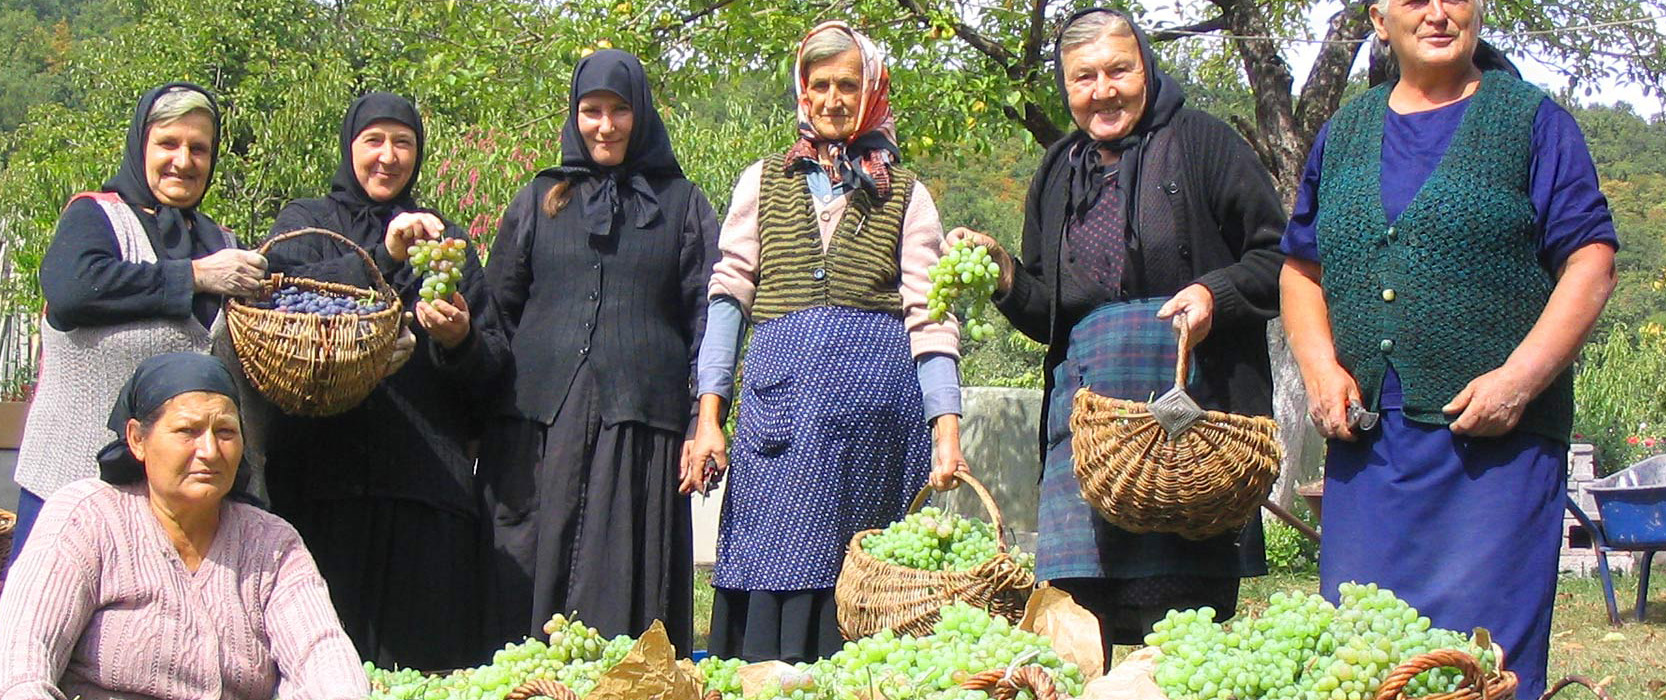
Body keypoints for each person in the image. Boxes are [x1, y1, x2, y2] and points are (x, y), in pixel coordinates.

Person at [1279, 0, 1618, 694]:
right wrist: (1319, 368)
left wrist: (1519, 379)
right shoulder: (1343, 132)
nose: (1437, 12)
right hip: (1368, 452)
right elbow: (1300, 270)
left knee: (1483, 664)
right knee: (1362, 655)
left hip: (1496, 455)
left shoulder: (1531, 122)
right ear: (1378, 19)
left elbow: (1591, 260)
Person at [947, 8, 1283, 659]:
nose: (1102, 90)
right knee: (1077, 644)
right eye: (1084, 77)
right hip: (1087, 439)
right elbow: (1049, 310)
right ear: (1065, 86)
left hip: (1183, 432)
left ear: (1147, 70)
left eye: (1119, 70)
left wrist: (1216, 293)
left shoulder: (1205, 144)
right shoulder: (1056, 172)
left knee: (1180, 651)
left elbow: (1282, 260)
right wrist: (1003, 272)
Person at [682, 21, 967, 663]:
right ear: (802, 94)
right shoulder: (762, 183)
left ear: (870, 90)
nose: (833, 99)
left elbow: (932, 316)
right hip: (779, 419)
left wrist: (946, 432)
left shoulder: (909, 195)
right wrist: (709, 419)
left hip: (876, 428)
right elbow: (728, 299)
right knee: (774, 566)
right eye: (820, 86)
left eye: (848, 84)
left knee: (866, 584)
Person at [478, 50, 718, 647]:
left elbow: (709, 319)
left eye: (619, 110)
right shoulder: (538, 199)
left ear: (641, 115)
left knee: (626, 588)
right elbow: (496, 312)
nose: (604, 126)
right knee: (532, 579)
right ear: (574, 115)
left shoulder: (683, 205)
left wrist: (702, 421)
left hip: (641, 431)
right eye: (591, 111)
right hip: (539, 428)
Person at [259, 91, 502, 670]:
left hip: (425, 493)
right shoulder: (307, 222)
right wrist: (386, 257)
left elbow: (493, 375)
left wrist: (458, 342)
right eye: (374, 140)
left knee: (425, 669)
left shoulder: (447, 241)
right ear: (350, 147)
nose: (388, 156)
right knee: (319, 667)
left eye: (403, 143)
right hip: (320, 491)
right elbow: (284, 297)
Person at [0, 353, 368, 700]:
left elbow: (321, 651)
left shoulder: (271, 543)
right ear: (137, 439)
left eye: (225, 432)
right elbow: (21, 660)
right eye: (187, 431)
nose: (210, 451)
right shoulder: (88, 518)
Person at [12, 83, 266, 558]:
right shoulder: (96, 217)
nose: (183, 161)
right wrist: (193, 276)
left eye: (199, 148)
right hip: (72, 484)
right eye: (168, 144)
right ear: (140, 145)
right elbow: (72, 290)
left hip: (178, 508)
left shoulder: (220, 240)